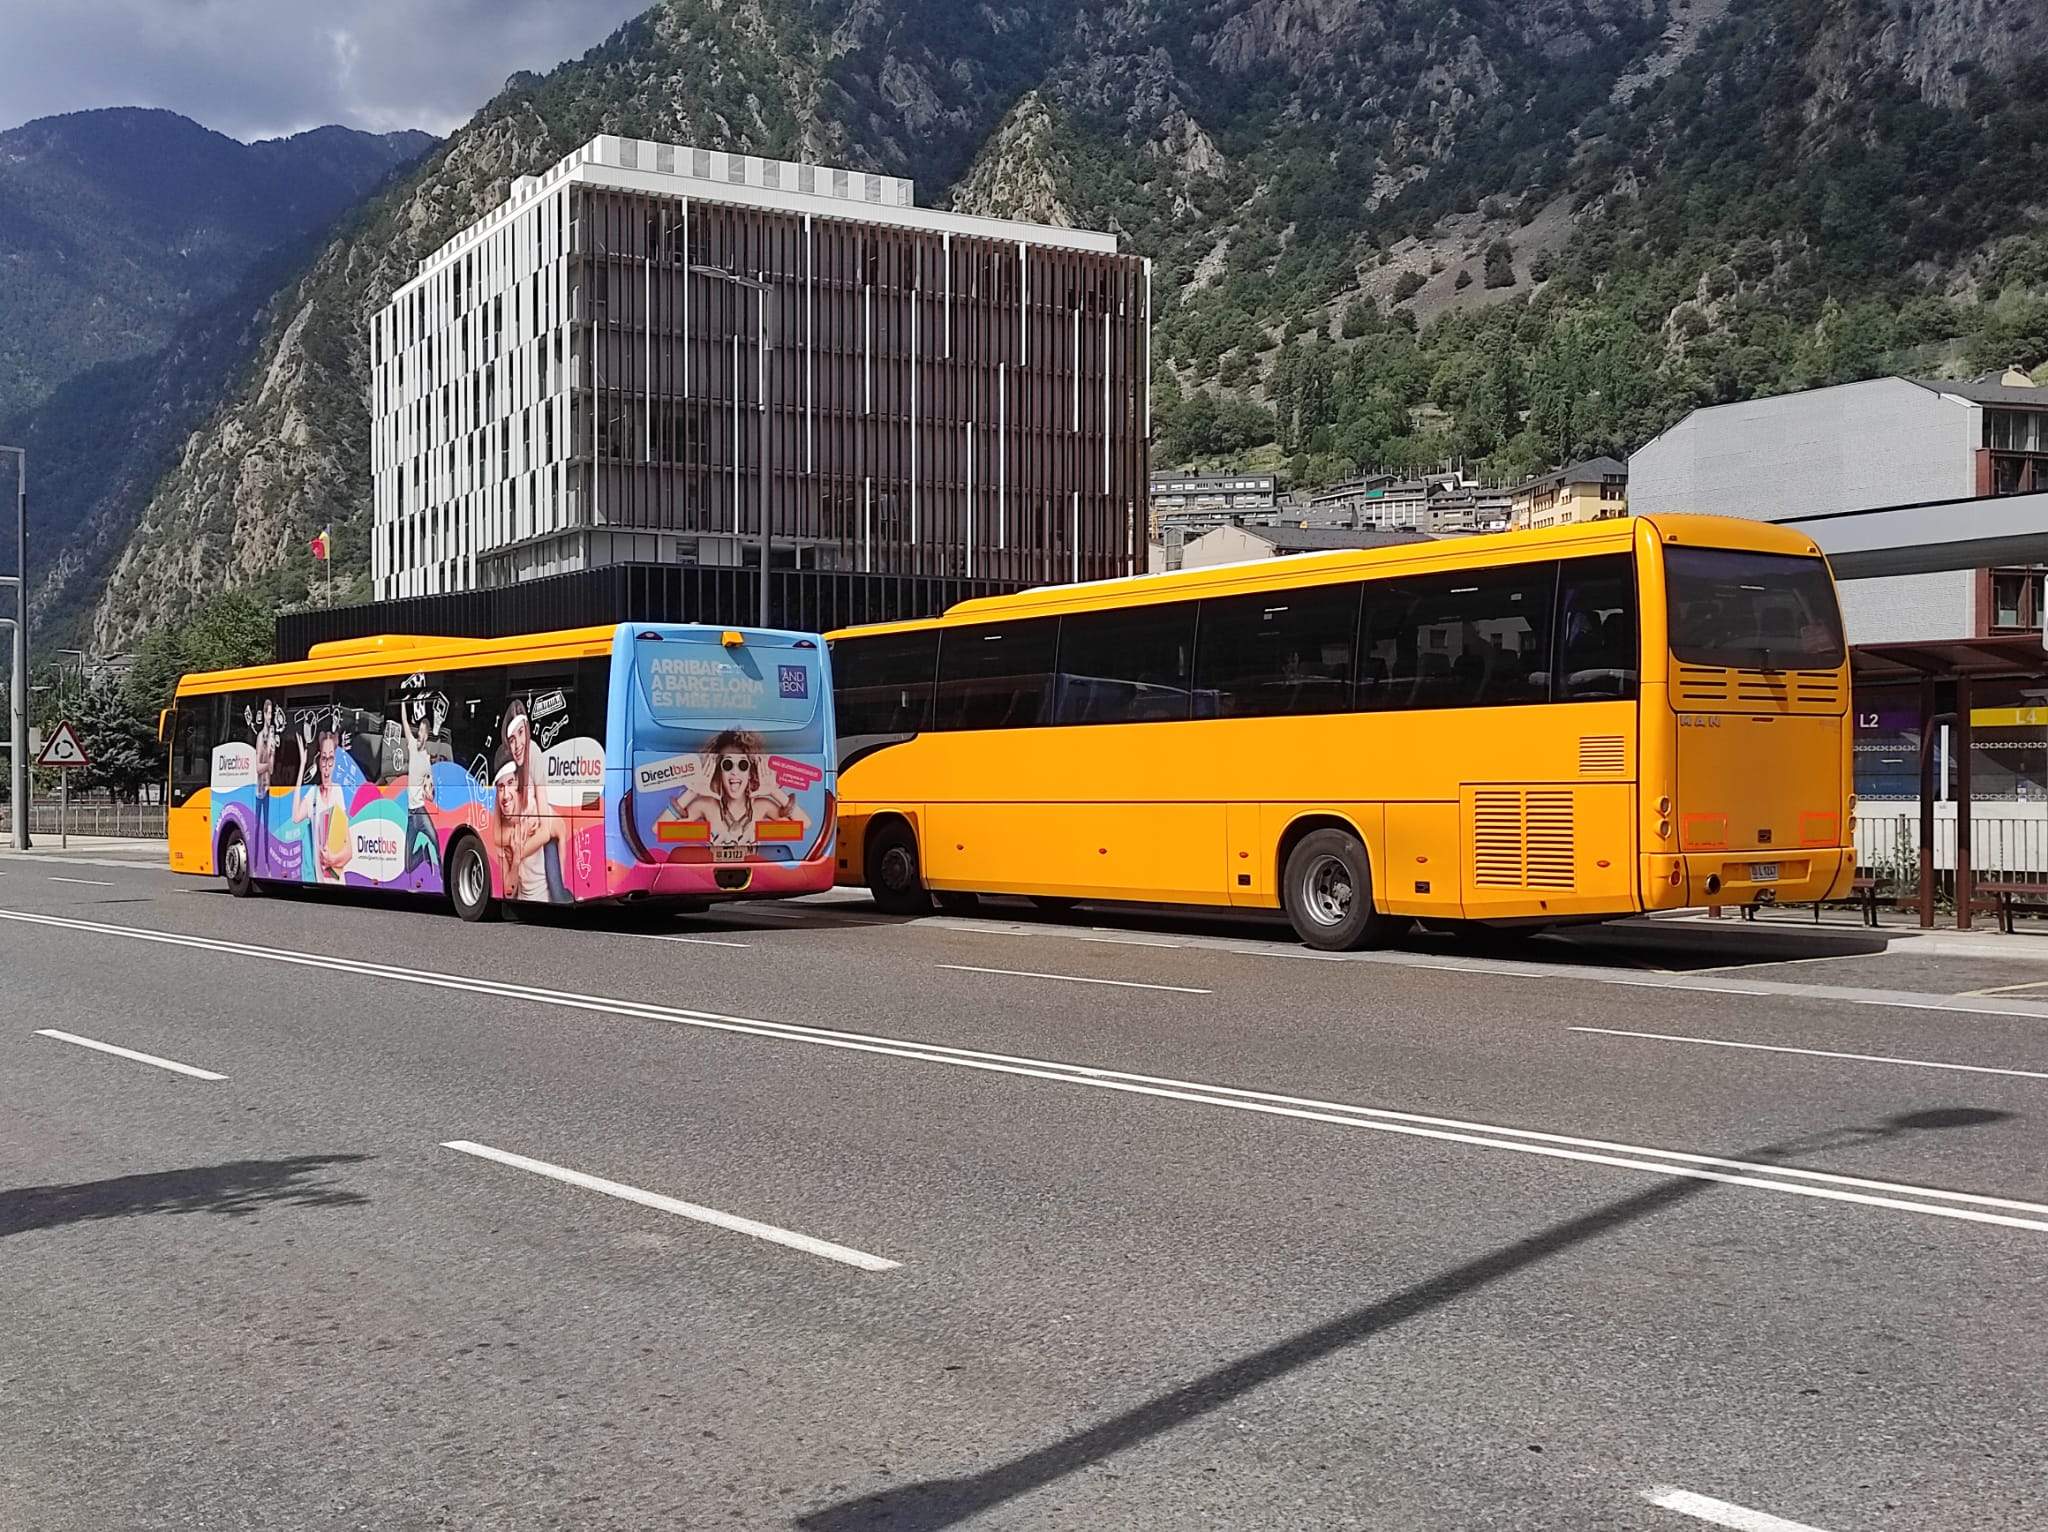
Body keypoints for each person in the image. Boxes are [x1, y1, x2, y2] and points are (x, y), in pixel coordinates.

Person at [664, 728, 808, 852]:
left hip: (756, 875)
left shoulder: (761, 806)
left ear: (750, 772)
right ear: (718, 770)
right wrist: (692, 793)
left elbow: (804, 825)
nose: (735, 772)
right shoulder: (706, 804)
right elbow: (660, 830)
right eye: (727, 765)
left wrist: (774, 792)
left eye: (743, 765)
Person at [498, 697, 572, 901]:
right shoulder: (511, 768)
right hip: (529, 835)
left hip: (546, 834)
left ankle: (561, 892)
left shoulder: (535, 755)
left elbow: (547, 827)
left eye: (520, 733)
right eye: (511, 739)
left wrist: (517, 853)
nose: (517, 745)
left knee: (557, 892)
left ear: (527, 729)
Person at [291, 716, 350, 884]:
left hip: (336, 879)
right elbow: (295, 817)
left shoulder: (338, 792)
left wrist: (332, 859)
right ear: (318, 760)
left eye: (331, 759)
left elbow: (349, 850)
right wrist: (302, 764)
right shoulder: (313, 794)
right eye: (323, 758)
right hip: (320, 878)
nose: (326, 766)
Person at [401, 693, 442, 875]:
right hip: (411, 815)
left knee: (436, 840)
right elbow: (404, 723)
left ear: (427, 735)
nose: (419, 734)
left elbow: (431, 789)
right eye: (419, 730)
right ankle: (424, 856)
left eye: (423, 731)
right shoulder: (411, 744)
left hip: (420, 811)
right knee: (408, 866)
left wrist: (429, 792)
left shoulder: (427, 760)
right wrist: (403, 702)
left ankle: (442, 871)